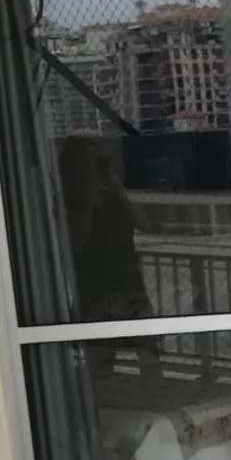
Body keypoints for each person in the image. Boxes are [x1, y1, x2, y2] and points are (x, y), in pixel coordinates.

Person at [59, 134, 152, 325]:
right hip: (95, 283)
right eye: (85, 161)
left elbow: (144, 224)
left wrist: (116, 189)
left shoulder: (112, 190)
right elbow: (78, 239)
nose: (91, 166)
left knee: (146, 341)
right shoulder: (68, 199)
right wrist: (87, 198)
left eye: (95, 159)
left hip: (127, 278)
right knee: (102, 346)